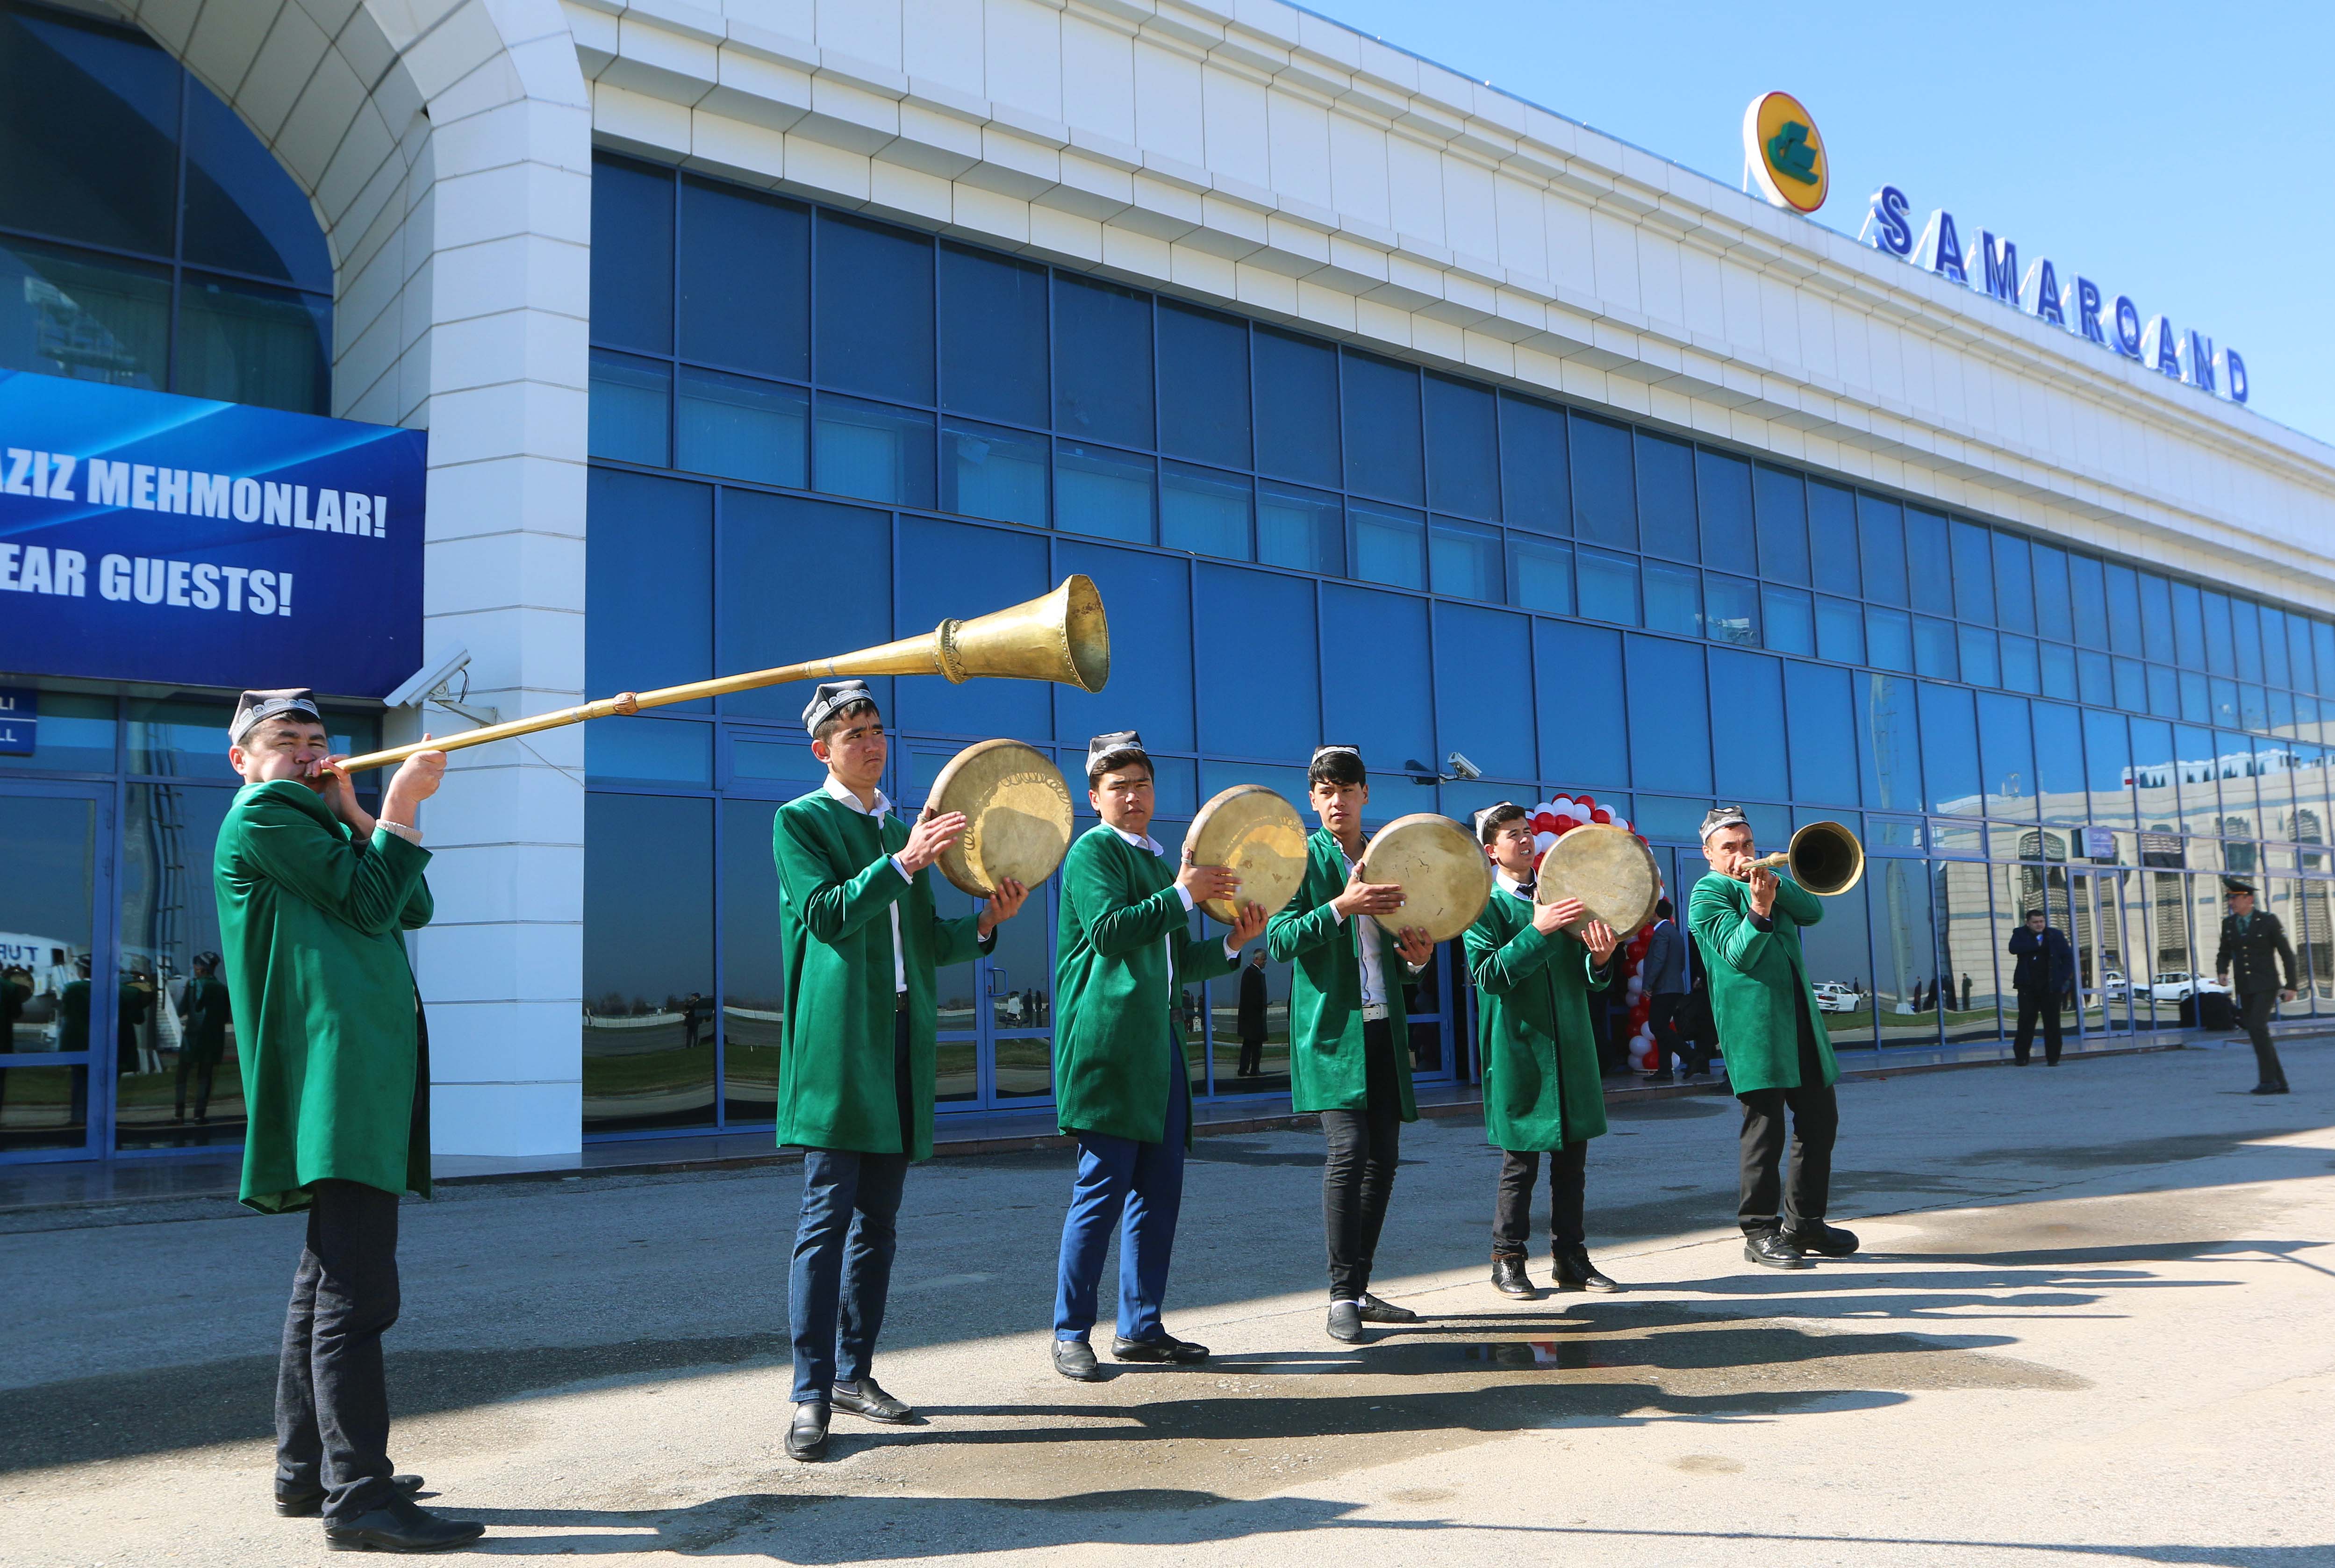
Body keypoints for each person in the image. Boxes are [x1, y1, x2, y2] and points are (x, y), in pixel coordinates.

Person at [212, 688, 476, 1550]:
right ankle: (359, 1498)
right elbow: (374, 907)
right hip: (337, 1086)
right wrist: (399, 804)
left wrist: (362, 812)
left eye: (319, 739)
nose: (307, 752)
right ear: (242, 760)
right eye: (284, 740)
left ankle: (308, 1472)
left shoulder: (315, 820)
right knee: (359, 1297)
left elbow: (412, 906)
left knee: (324, 1281)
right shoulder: (265, 816)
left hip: (358, 1083)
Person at [771, 680, 1027, 1461]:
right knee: (826, 1224)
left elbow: (924, 942)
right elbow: (825, 914)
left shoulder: (896, 824)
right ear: (822, 750)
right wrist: (906, 859)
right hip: (841, 1048)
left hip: (900, 1046)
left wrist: (983, 926)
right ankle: (810, 1394)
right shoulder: (800, 821)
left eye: (876, 728)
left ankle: (856, 1373)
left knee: (878, 1226)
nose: (870, 742)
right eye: (852, 733)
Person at [1047, 732, 1267, 1381]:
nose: (1133, 795)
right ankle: (1070, 1332)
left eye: (1141, 783)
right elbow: (1113, 932)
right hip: (1109, 1045)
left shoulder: (1155, 861)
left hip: (1159, 1044)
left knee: (1157, 1193)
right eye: (1118, 786)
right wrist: (1185, 893)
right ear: (1095, 798)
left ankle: (1141, 1326)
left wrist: (1233, 940)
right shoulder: (1094, 851)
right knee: (1101, 1191)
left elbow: (1176, 962)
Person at [1266, 745, 1434, 1343]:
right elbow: (1280, 939)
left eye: (1347, 789)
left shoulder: (1390, 856)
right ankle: (1341, 1295)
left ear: (1366, 795)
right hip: (1331, 1033)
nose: (1337, 801)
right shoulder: (1299, 858)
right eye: (1325, 792)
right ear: (1313, 800)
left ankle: (1360, 1286)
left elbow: (1409, 938)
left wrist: (1417, 961)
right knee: (1349, 1152)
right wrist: (1341, 905)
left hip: (1382, 1026)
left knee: (1383, 1160)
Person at [1688, 806, 1857, 1271]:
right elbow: (1738, 955)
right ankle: (1759, 1230)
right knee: (1764, 1131)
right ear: (1708, 854)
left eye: (1747, 844)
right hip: (1755, 1030)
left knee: (1820, 1122)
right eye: (1729, 848)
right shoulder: (1708, 892)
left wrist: (1772, 885)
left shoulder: (1765, 880)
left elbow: (1815, 909)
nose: (1742, 855)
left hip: (1798, 1021)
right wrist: (1759, 908)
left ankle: (1805, 1223)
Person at [1466, 804, 1623, 1298]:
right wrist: (1537, 930)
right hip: (1520, 1051)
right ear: (1491, 851)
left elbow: (1590, 979)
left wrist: (1600, 960)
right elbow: (1488, 975)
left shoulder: (1563, 896)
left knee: (1572, 1165)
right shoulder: (1482, 905)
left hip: (1571, 1049)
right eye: (1513, 835)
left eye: (1528, 831)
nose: (1526, 840)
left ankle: (1571, 1258)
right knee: (1520, 1164)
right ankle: (1507, 1259)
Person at [2215, 879, 2298, 1095]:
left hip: (2267, 984)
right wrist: (2222, 971)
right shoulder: (2230, 924)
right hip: (2246, 986)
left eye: (2235, 898)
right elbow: (2224, 952)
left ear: (2249, 899)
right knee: (2256, 1031)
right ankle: (2281, 1082)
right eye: (2230, 898)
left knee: (2258, 1027)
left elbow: (2287, 954)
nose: (2231, 902)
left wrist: (2291, 985)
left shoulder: (2268, 921)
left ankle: (2267, 1081)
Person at [2006, 910, 2074, 1066]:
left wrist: (2062, 978)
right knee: (2026, 1022)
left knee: (2052, 1023)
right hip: (2028, 987)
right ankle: (2022, 1057)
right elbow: (2013, 948)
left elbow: (2068, 958)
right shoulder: (2020, 934)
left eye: (2042, 921)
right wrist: (2036, 944)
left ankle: (2053, 1057)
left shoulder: (2055, 935)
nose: (2039, 925)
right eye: (2035, 922)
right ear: (2028, 923)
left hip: (2051, 987)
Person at [173, 951, 232, 1124]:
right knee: (205, 1077)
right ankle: (199, 1114)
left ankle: (179, 1114)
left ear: (201, 968)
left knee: (182, 1076)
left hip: (192, 1037)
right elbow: (225, 1016)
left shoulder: (193, 985)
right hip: (214, 1038)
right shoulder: (223, 989)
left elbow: (181, 1011)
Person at [1639, 898, 1693, 1082]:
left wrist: (1649, 985)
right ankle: (1665, 1070)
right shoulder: (1675, 932)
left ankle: (1691, 1056)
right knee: (1662, 1028)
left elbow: (1658, 961)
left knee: (1657, 1026)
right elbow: (1680, 964)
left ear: (1655, 913)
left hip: (1664, 989)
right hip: (1674, 987)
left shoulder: (1662, 932)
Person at [1236, 946, 1269, 1078]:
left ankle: (1244, 1069)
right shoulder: (1253, 974)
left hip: (1250, 1018)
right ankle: (1253, 1069)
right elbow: (1254, 997)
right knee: (1255, 1045)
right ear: (1257, 959)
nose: (1265, 962)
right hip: (1253, 1017)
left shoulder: (1250, 973)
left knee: (1248, 1044)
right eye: (1264, 959)